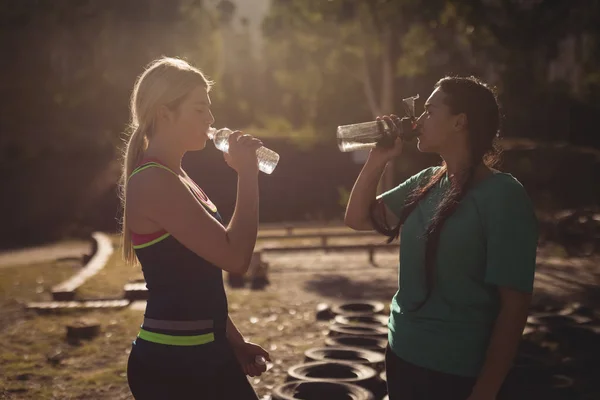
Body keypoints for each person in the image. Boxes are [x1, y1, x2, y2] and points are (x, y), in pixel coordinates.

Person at [344, 76, 538, 400]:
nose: (417, 121)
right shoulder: (426, 182)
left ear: (460, 122)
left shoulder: (503, 195)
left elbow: (515, 307)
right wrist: (378, 158)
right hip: (402, 353)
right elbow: (357, 218)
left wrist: (486, 390)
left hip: (456, 371)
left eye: (429, 111)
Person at [120, 57, 270, 399]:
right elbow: (236, 258)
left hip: (205, 350)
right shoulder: (155, 180)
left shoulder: (179, 178)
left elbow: (198, 282)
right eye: (200, 109)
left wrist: (235, 341)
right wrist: (247, 175)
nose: (211, 120)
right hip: (174, 363)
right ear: (164, 113)